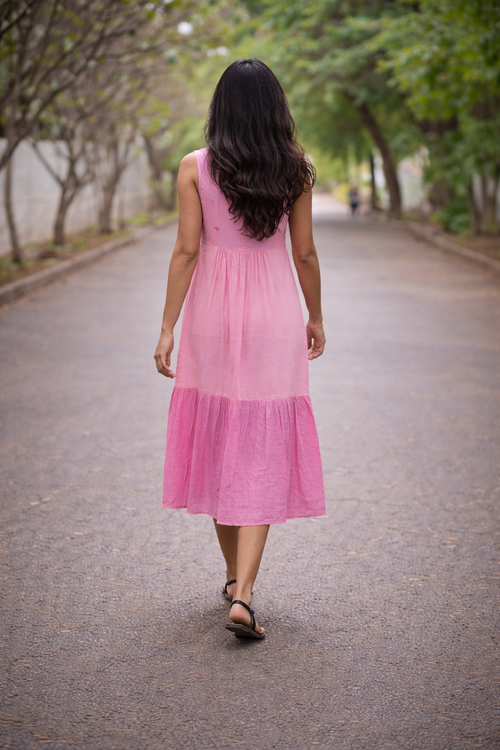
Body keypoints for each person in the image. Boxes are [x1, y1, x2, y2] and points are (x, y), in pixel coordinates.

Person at [154, 59, 326, 640]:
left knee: (225, 435)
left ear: (220, 108)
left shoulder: (194, 167)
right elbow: (304, 254)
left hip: (212, 318)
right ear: (276, 108)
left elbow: (185, 251)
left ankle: (234, 579)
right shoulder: (296, 169)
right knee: (260, 444)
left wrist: (168, 325)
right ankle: (243, 591)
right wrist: (316, 315)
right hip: (274, 315)